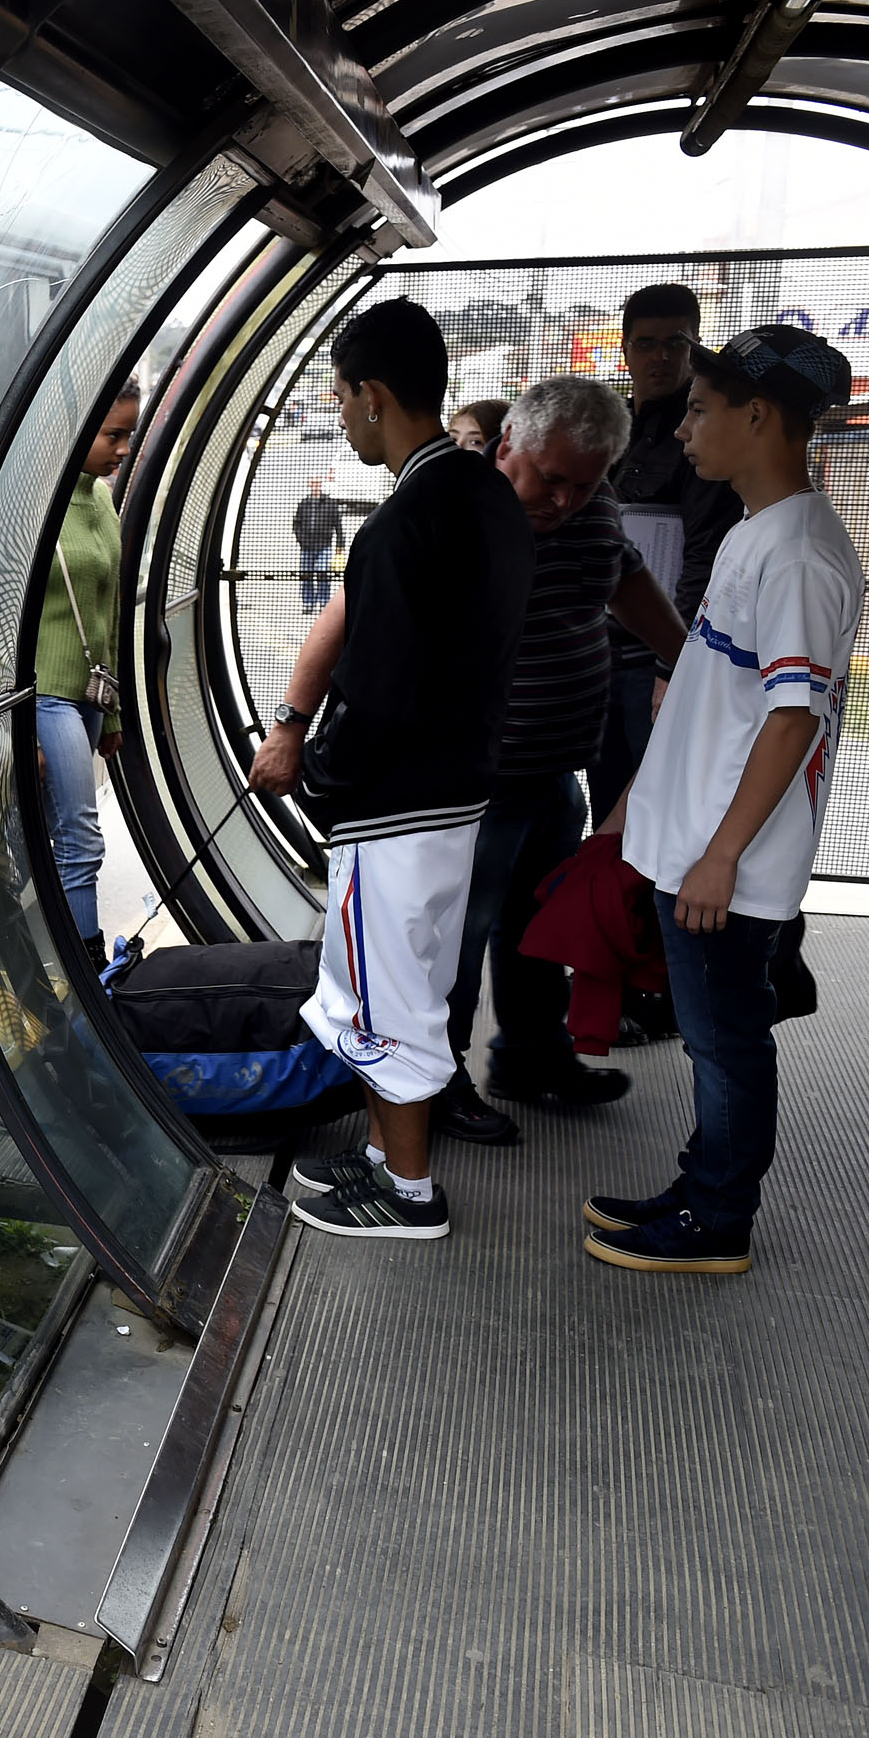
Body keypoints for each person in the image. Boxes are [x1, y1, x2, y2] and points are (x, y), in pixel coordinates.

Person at [249, 298, 532, 1241]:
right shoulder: (487, 494)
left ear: (373, 396)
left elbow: (375, 689)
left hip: (397, 809)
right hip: (458, 792)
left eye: (339, 398)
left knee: (386, 994)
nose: (338, 416)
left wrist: (319, 772)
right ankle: (379, 1155)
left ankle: (408, 1192)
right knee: (408, 971)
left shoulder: (403, 524)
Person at [588, 325, 859, 1276]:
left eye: (702, 410)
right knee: (714, 1038)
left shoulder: (798, 558)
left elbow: (793, 721)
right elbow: (718, 699)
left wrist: (718, 854)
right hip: (697, 839)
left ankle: (718, 1223)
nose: (685, 428)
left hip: (726, 863)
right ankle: (702, 1185)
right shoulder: (759, 531)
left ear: (758, 416)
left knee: (724, 1043)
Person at [430, 378, 688, 1145]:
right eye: (552, 479)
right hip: (479, 780)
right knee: (459, 938)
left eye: (588, 482)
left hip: (553, 774)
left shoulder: (594, 513)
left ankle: (530, 1057)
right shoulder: (458, 514)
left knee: (537, 928)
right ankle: (432, 1084)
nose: (567, 500)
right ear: (508, 441)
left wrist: (689, 662)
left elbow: (629, 582)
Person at [596, 284, 744, 824]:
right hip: (601, 653)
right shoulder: (608, 425)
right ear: (626, 349)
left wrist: (671, 664)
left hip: (653, 659)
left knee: (658, 811)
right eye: (646, 343)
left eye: (675, 342)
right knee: (607, 804)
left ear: (695, 345)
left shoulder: (700, 434)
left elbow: (704, 556)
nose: (660, 356)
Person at [31, 378, 138, 957]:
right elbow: (1, 610)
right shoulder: (37, 501)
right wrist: (15, 720)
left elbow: (109, 610)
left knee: (46, 836)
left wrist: (115, 712)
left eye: (129, 434)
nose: (123, 449)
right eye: (111, 434)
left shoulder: (100, 499)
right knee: (80, 834)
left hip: (91, 695)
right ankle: (88, 966)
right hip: (44, 695)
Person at [292, 474, 343, 613]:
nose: (315, 485)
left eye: (317, 482)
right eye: (312, 483)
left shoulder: (330, 503)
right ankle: (308, 603)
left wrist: (340, 545)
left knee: (322, 573)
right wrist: (301, 540)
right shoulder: (304, 504)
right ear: (310, 485)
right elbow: (297, 524)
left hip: (324, 546)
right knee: (306, 575)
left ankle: (323, 602)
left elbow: (338, 524)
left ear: (320, 484)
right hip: (307, 547)